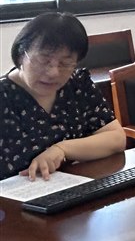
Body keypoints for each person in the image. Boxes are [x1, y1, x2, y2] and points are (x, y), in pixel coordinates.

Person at [2, 12, 126, 180]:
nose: (53, 72)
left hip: (75, 188)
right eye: (44, 60)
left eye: (65, 63)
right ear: (20, 55)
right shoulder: (4, 96)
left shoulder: (77, 85)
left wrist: (62, 148)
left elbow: (117, 139)